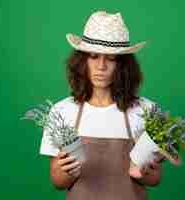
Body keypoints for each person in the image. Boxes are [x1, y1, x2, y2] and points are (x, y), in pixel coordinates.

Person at [39, 11, 165, 200]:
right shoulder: (62, 111)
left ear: (123, 65)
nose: (101, 66)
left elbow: (155, 180)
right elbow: (58, 182)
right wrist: (64, 171)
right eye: (93, 56)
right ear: (82, 60)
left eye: (111, 58)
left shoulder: (146, 111)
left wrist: (147, 171)